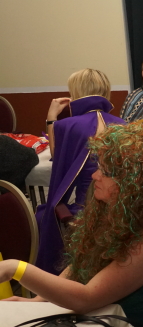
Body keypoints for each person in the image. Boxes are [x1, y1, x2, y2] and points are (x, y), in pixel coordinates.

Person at [1, 123, 143, 327]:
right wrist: (38, 302)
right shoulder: (117, 210)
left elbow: (86, 298)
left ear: (136, 182)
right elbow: (82, 264)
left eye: (106, 172)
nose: (95, 176)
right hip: (105, 322)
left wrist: (16, 268)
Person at [36, 68, 125, 274]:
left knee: (43, 214)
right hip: (119, 210)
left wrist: (51, 118)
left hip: (86, 211)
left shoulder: (68, 125)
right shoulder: (122, 124)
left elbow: (57, 156)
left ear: (75, 93)